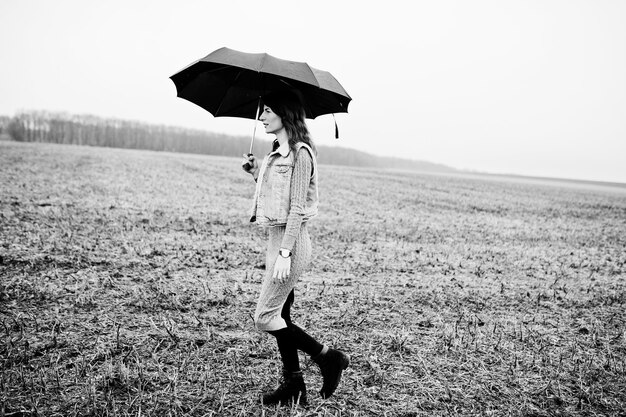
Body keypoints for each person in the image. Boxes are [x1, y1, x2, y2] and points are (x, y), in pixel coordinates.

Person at [241, 91, 349, 407]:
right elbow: (277, 201)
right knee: (282, 313)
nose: (261, 117)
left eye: (268, 110)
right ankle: (294, 385)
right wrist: (255, 174)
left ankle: (329, 357)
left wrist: (286, 252)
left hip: (292, 243)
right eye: (261, 111)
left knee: (265, 316)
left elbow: (297, 208)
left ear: (284, 115)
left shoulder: (301, 155)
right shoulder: (277, 153)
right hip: (276, 239)